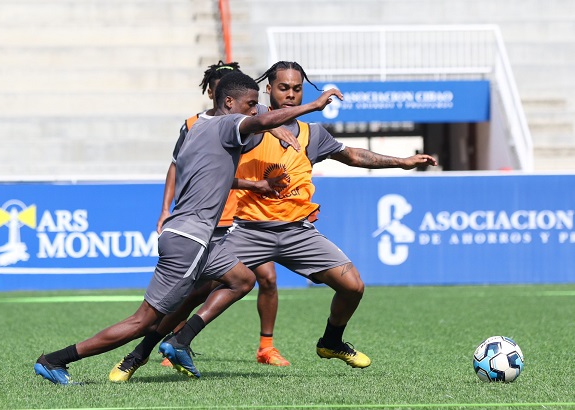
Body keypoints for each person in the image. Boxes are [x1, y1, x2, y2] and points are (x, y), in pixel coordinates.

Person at [104, 61, 438, 381]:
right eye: (283, 88)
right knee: (191, 293)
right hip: (248, 229)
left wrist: (402, 161)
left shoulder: (312, 133)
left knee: (353, 286)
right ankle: (139, 355)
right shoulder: (247, 127)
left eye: (296, 89)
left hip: (297, 231)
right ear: (269, 89)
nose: (291, 94)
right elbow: (211, 157)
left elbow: (351, 155)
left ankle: (330, 342)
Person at [34, 71, 343, 384]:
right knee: (143, 320)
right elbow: (261, 122)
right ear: (228, 102)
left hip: (198, 238)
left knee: (241, 279)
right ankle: (56, 360)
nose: (254, 110)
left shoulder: (198, 127)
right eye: (250, 104)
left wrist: (255, 183)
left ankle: (180, 342)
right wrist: (314, 105)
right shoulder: (227, 124)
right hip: (189, 239)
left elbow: (217, 168)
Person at [151, 60, 290, 370]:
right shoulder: (193, 125)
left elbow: (264, 119)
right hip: (204, 219)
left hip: (239, 215)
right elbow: (178, 167)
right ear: (214, 93)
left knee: (265, 277)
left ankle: (266, 347)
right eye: (213, 86)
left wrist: (277, 129)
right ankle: (171, 345)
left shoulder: (244, 119)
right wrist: (165, 209)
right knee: (192, 289)